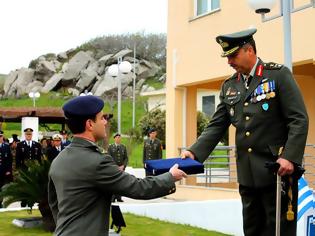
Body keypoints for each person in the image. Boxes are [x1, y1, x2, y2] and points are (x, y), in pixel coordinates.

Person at [181, 28, 309, 236]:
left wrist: (289, 157)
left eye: (233, 55)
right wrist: (194, 153)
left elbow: (299, 119)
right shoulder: (230, 86)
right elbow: (217, 125)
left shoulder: (277, 75)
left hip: (276, 172)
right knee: (252, 230)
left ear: (249, 50)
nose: (229, 61)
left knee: (277, 230)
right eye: (227, 57)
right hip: (247, 175)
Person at [48, 95, 187, 236]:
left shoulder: (59, 160)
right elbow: (137, 187)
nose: (105, 122)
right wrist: (170, 177)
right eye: (102, 118)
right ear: (90, 124)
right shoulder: (97, 161)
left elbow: (54, 203)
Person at [108, 133, 128, 202]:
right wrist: (114, 166)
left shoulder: (123, 147)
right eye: (117, 137)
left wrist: (123, 166)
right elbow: (109, 157)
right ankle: (113, 198)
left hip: (121, 168)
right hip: (114, 168)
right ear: (114, 138)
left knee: (121, 183)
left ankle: (119, 197)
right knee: (113, 183)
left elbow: (126, 158)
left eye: (119, 137)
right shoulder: (110, 147)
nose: (118, 139)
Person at [0, 131, 13, 208]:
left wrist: (9, 170)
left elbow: (9, 159)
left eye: (0, 137)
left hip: (3, 171)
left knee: (2, 187)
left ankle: (1, 201)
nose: (0, 138)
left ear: (2, 137)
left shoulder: (6, 146)